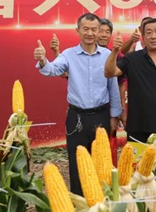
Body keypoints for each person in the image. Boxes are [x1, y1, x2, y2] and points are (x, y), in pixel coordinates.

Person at [34, 13, 122, 195]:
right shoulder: (68, 55)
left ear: (99, 31)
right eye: (85, 29)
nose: (90, 33)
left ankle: (101, 201)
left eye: (94, 29)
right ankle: (79, 203)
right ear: (78, 31)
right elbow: (52, 69)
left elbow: (113, 87)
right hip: (77, 118)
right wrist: (42, 60)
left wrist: (115, 116)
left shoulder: (107, 55)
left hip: (101, 116)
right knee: (77, 162)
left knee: (101, 162)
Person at [104, 18, 156, 144]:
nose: (153, 36)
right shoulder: (132, 59)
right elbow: (110, 72)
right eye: (148, 32)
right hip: (137, 128)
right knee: (138, 158)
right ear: (143, 37)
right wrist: (115, 51)